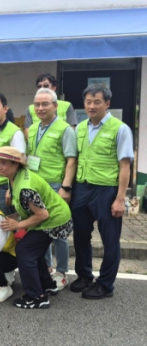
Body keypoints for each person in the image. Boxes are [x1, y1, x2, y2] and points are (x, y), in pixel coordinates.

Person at [70, 85, 133, 300]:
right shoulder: (79, 128)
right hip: (82, 188)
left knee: (110, 239)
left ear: (107, 104)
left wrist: (120, 198)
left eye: (97, 102)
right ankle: (84, 275)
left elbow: (125, 165)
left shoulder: (120, 128)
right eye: (88, 101)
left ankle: (105, 284)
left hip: (107, 191)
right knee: (80, 235)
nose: (91, 106)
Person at [0, 147, 72, 309]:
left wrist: (18, 225)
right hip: (53, 217)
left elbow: (42, 215)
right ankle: (47, 284)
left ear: (16, 165)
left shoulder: (24, 187)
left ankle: (36, 296)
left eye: (4, 163)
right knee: (32, 250)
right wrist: (14, 218)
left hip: (54, 220)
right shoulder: (14, 177)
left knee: (25, 251)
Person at [26, 88, 77, 290]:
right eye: (37, 104)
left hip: (55, 186)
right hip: (36, 185)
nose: (40, 108)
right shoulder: (34, 129)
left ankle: (62, 272)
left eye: (45, 104)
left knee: (59, 232)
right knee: (40, 229)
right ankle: (46, 267)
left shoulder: (65, 129)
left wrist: (66, 187)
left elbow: (71, 160)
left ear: (55, 106)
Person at [24, 73, 77, 137]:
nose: (42, 89)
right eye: (39, 86)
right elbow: (28, 131)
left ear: (54, 88)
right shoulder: (30, 109)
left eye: (46, 86)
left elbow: (72, 129)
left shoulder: (67, 106)